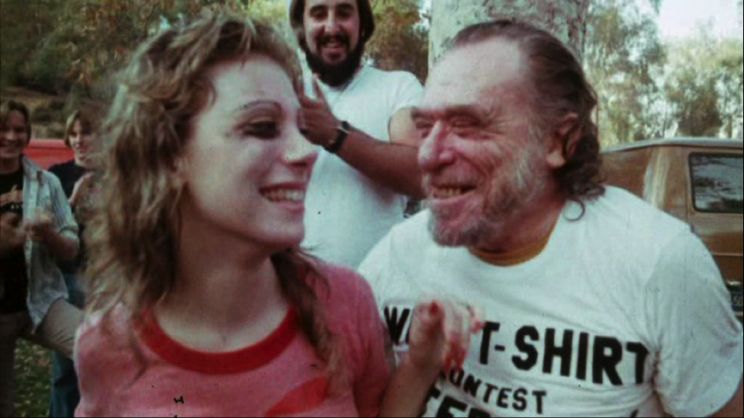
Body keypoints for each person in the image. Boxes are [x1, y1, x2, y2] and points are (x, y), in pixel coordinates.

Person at [74, 13, 476, 417]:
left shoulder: (344, 304)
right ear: (168, 154)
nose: (306, 152)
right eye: (264, 127)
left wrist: (420, 366)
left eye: (300, 128)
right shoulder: (107, 345)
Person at [359, 20, 744, 417]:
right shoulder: (398, 254)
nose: (427, 155)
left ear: (559, 140)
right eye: (425, 128)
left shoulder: (658, 263)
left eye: (467, 126)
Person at [288, 0, 425, 268]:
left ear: (362, 25)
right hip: (292, 285)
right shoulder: (283, 94)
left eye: (344, 13)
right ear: (302, 28)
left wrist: (335, 134)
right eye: (318, 14)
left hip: (380, 285)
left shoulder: (398, 86)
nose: (332, 27)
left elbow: (422, 175)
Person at [0, 99, 82, 417]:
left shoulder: (47, 183)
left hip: (41, 301)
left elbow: (71, 248)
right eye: (3, 129)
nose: (11, 137)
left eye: (19, 130)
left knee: (98, 349)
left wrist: (49, 234)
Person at [47, 110, 99, 417]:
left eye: (86, 132)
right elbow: (46, 227)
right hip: (68, 277)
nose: (80, 140)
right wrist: (74, 198)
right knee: (67, 367)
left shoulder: (114, 174)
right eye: (74, 133)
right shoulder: (56, 175)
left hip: (107, 280)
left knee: (102, 364)